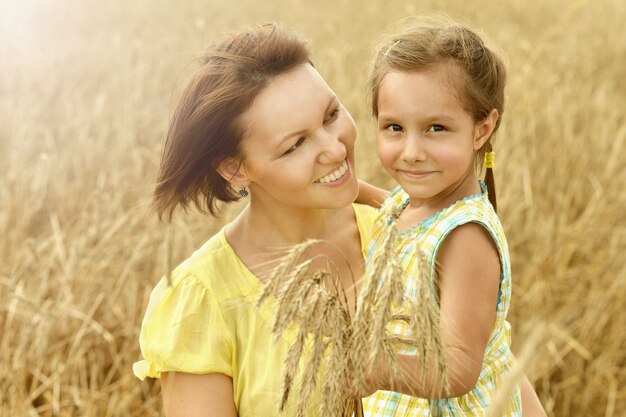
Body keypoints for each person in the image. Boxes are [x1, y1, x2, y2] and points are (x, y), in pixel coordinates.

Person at [132, 23, 379, 417]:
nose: (335, 149)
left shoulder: (404, 236)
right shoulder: (203, 301)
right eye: (295, 145)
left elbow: (500, 382)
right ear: (235, 170)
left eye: (331, 115)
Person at [358, 18, 547, 416]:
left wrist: (368, 367)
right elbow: (386, 206)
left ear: (481, 130)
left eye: (436, 128)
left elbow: (458, 367)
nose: (411, 151)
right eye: (394, 127)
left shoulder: (465, 238)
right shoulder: (409, 204)